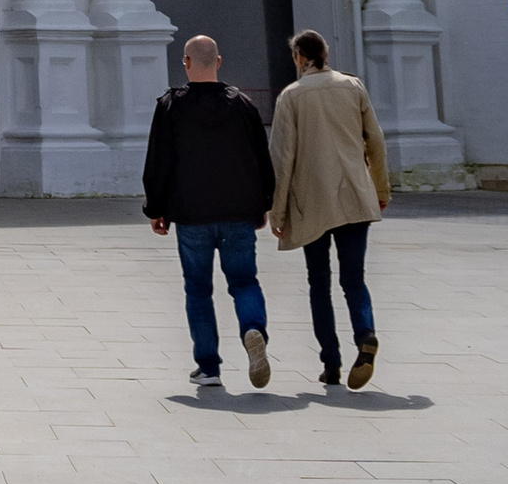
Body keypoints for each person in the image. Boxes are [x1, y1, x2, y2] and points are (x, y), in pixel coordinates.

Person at [143, 32, 275, 388]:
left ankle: (209, 367)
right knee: (245, 282)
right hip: (237, 213)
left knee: (198, 290)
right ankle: (252, 329)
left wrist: (155, 208)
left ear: (185, 63)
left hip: (191, 214)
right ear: (218, 62)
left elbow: (159, 161)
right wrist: (264, 203)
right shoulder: (243, 105)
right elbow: (262, 159)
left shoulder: (171, 106)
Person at [269, 27, 390, 388]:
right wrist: (380, 188)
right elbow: (376, 140)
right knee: (354, 279)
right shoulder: (353, 86)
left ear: (298, 58)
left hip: (313, 202)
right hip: (355, 196)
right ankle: (365, 333)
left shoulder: (291, 96)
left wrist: (278, 212)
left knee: (318, 283)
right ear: (325, 54)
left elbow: (283, 157)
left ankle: (331, 363)